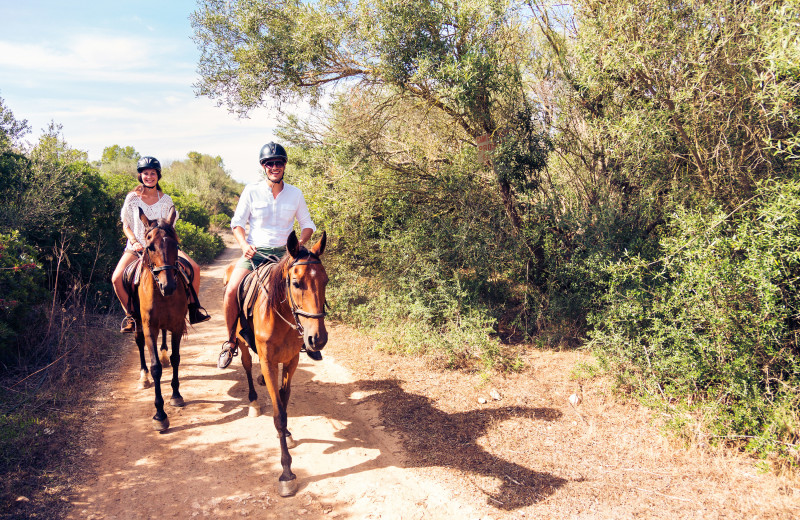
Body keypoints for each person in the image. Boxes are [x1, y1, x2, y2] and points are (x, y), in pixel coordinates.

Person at [218, 142, 318, 369]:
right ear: (263, 166)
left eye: (279, 163)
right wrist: (244, 245)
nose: (275, 166)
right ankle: (231, 342)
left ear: (284, 165)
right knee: (231, 291)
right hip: (255, 253)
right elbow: (237, 224)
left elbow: (307, 224)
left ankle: (306, 339)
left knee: (308, 289)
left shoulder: (295, 193)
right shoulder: (251, 191)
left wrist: (299, 243)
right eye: (270, 163)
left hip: (285, 256)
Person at [111, 156, 210, 333]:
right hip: (137, 248)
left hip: (163, 248)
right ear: (140, 176)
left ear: (158, 176)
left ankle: (194, 309)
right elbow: (125, 225)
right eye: (146, 173)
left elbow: (170, 228)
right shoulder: (132, 199)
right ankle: (131, 316)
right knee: (116, 278)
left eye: (153, 173)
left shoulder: (166, 200)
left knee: (194, 268)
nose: (149, 177)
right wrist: (133, 241)